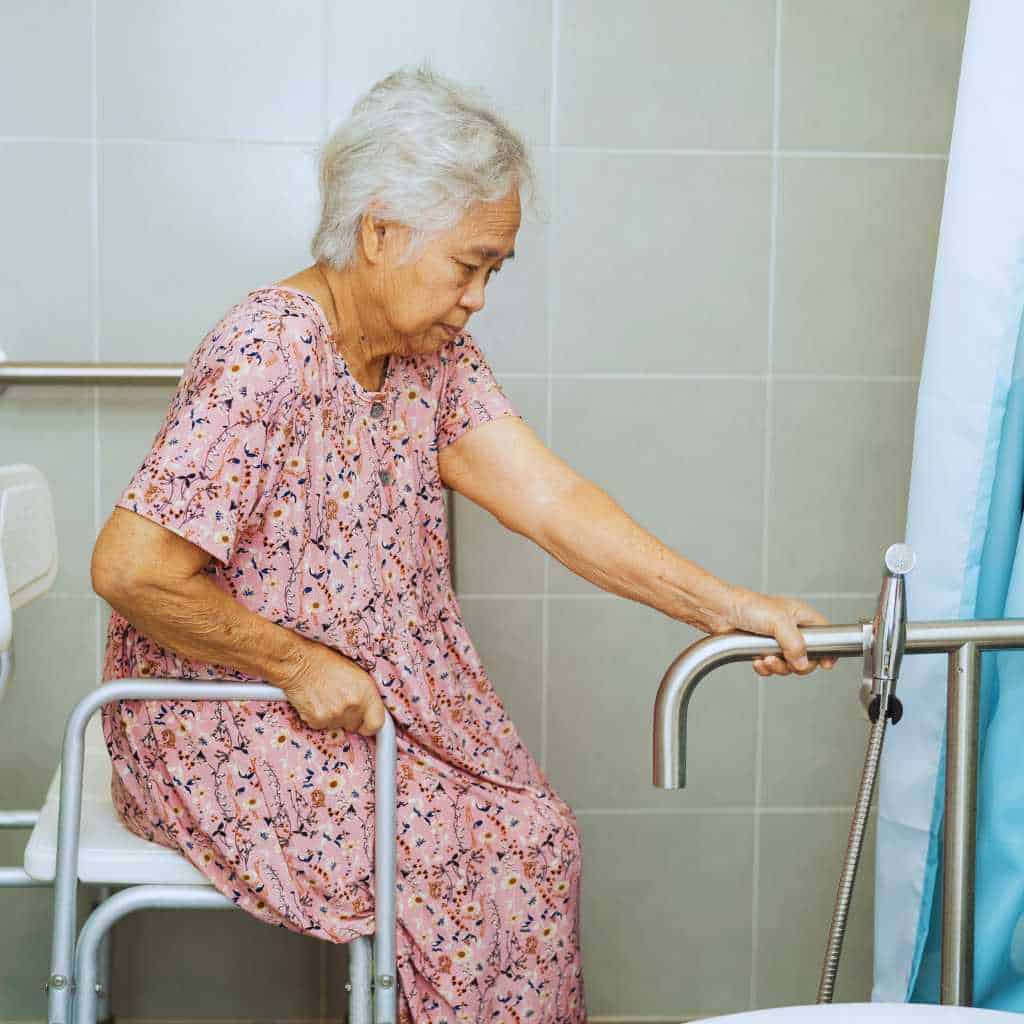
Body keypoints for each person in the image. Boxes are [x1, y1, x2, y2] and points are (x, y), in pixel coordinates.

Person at [90, 63, 835, 1023]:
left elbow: (554, 503)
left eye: (494, 270)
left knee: (536, 835)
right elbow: (131, 569)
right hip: (221, 708)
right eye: (470, 263)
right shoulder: (266, 351)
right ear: (380, 231)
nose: (479, 295)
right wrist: (294, 661)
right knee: (473, 851)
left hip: (361, 700)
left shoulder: (430, 356)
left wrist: (729, 608)